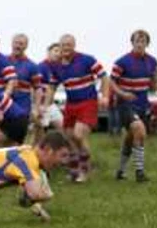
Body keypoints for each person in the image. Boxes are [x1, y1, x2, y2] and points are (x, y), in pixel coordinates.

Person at [110, 29, 157, 182]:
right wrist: (122, 94)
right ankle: (140, 173)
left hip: (142, 104)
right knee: (139, 130)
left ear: (147, 43)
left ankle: (121, 171)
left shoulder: (152, 62)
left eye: (143, 41)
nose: (140, 44)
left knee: (131, 137)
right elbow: (111, 82)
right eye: (137, 41)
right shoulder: (121, 62)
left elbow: (155, 82)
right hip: (125, 104)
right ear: (132, 42)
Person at [44, 34, 109, 183]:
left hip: (88, 101)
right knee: (68, 138)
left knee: (79, 135)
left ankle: (85, 170)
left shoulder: (87, 60)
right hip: (71, 103)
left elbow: (104, 77)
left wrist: (104, 96)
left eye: (69, 45)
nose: (66, 48)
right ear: (59, 47)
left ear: (74, 45)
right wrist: (46, 106)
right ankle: (74, 171)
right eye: (63, 45)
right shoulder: (56, 65)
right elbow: (52, 87)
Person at [9, 34, 42, 127]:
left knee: (15, 138)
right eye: (16, 43)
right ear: (11, 44)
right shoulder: (3, 61)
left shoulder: (32, 65)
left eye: (21, 44)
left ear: (26, 46)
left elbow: (38, 89)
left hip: (22, 107)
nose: (18, 46)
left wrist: (36, 108)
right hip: (4, 105)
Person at [35, 43, 64, 141]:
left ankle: (63, 152)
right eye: (55, 51)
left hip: (51, 105)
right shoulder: (41, 67)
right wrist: (38, 106)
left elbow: (53, 87)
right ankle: (32, 154)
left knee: (63, 128)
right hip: (42, 105)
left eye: (60, 52)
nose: (58, 54)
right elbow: (36, 88)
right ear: (48, 52)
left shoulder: (58, 68)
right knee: (40, 137)